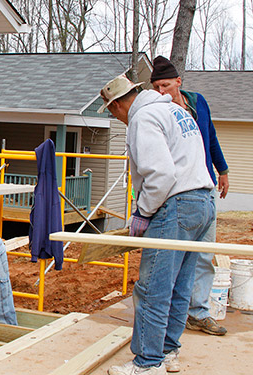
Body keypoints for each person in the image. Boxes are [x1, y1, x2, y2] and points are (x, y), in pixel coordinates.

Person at [98, 74, 215, 375]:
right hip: (202, 202)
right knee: (179, 285)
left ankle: (147, 363)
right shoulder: (174, 109)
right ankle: (167, 352)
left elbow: (161, 175)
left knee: (152, 288)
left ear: (116, 107)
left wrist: (144, 212)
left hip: (175, 205)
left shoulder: (144, 118)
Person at [150, 56, 230, 337]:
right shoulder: (160, 111)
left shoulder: (197, 103)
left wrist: (222, 169)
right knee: (172, 260)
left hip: (203, 187)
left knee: (203, 254)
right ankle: (172, 315)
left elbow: (211, 137)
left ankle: (198, 312)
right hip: (176, 194)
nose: (162, 91)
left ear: (178, 82)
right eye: (157, 86)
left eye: (166, 85)